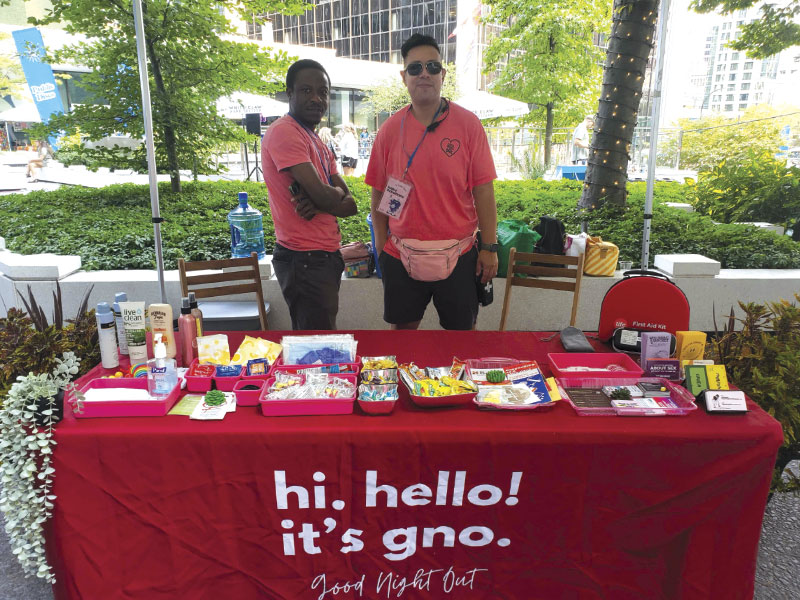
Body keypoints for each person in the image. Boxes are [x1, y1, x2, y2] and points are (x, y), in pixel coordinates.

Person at [365, 33, 498, 331]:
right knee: (403, 340)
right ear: (404, 77)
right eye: (415, 68)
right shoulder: (388, 130)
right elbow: (378, 196)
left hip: (460, 254)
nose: (424, 74)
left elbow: (484, 192)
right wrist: (381, 246)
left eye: (432, 67)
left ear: (443, 74)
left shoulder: (468, 125)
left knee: (461, 341)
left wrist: (489, 247)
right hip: (400, 254)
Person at [261, 59, 358, 330]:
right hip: (304, 260)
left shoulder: (318, 142)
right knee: (315, 350)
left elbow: (351, 205)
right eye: (306, 90)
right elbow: (330, 198)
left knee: (320, 338)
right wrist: (327, 197)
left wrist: (323, 200)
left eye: (323, 91)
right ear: (289, 93)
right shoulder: (285, 132)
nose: (316, 98)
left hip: (322, 257)